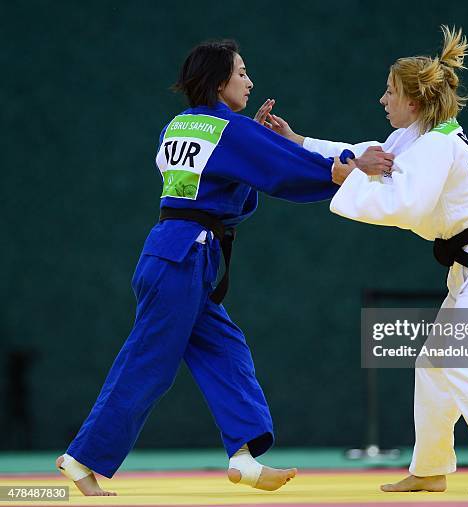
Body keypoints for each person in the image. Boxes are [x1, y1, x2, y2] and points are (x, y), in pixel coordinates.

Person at [55, 39, 393, 496]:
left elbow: (227, 183)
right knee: (148, 363)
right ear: (219, 81)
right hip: (183, 259)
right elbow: (284, 170)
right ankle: (81, 459)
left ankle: (244, 457)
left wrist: (249, 142)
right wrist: (352, 166)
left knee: (225, 349)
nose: (249, 81)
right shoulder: (230, 131)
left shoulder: (176, 126)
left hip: (174, 254)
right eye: (241, 73)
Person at [264, 26, 468, 495]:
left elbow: (403, 205)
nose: (382, 99)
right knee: (435, 365)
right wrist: (298, 141)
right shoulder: (419, 136)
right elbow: (363, 155)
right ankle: (430, 469)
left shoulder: (436, 145)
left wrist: (343, 179)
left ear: (413, 101)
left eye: (390, 92)